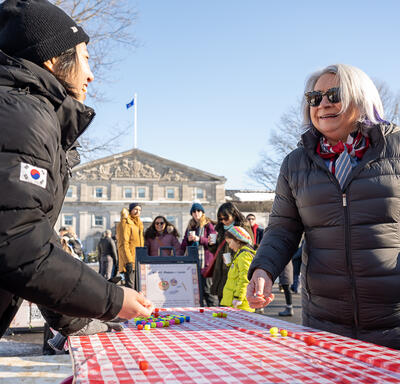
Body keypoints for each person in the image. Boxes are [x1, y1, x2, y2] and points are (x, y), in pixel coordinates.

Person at [0, 0, 153, 339]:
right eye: (85, 58)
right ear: (53, 59)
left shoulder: (23, 109)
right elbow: (19, 247)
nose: (90, 73)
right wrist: (111, 299)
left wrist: (77, 319)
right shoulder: (23, 116)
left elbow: (32, 234)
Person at [247, 64, 400, 349]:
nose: (323, 104)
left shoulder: (398, 148)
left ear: (361, 97)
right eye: (314, 98)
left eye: (334, 94)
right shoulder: (295, 164)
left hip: (394, 322)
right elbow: (282, 229)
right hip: (324, 324)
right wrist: (262, 271)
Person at [209, 202, 254, 303]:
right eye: (221, 219)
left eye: (226, 218)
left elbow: (248, 247)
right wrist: (212, 244)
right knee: (223, 299)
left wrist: (233, 258)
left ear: (234, 215)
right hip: (221, 269)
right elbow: (217, 251)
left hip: (235, 268)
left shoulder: (243, 227)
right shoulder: (221, 229)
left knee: (231, 303)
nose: (224, 221)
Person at [181, 203, 218, 306]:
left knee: (208, 291)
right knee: (196, 293)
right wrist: (188, 240)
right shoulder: (190, 226)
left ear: (202, 212)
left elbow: (213, 242)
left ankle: (215, 312)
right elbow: (183, 245)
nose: (196, 213)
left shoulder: (208, 225)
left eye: (198, 211)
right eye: (194, 211)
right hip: (194, 263)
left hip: (206, 264)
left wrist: (199, 239)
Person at [220, 226, 255, 312]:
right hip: (236, 302)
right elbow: (237, 273)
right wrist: (229, 264)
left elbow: (245, 278)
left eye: (230, 242)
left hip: (240, 304)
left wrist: (238, 297)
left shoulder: (244, 255)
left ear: (238, 240)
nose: (229, 246)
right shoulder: (240, 254)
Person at [118, 203, 144, 289]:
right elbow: (123, 243)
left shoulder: (138, 224)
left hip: (138, 260)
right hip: (130, 261)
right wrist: (128, 261)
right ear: (130, 210)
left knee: (138, 287)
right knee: (131, 288)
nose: (138, 212)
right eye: (135, 209)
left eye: (139, 210)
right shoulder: (126, 222)